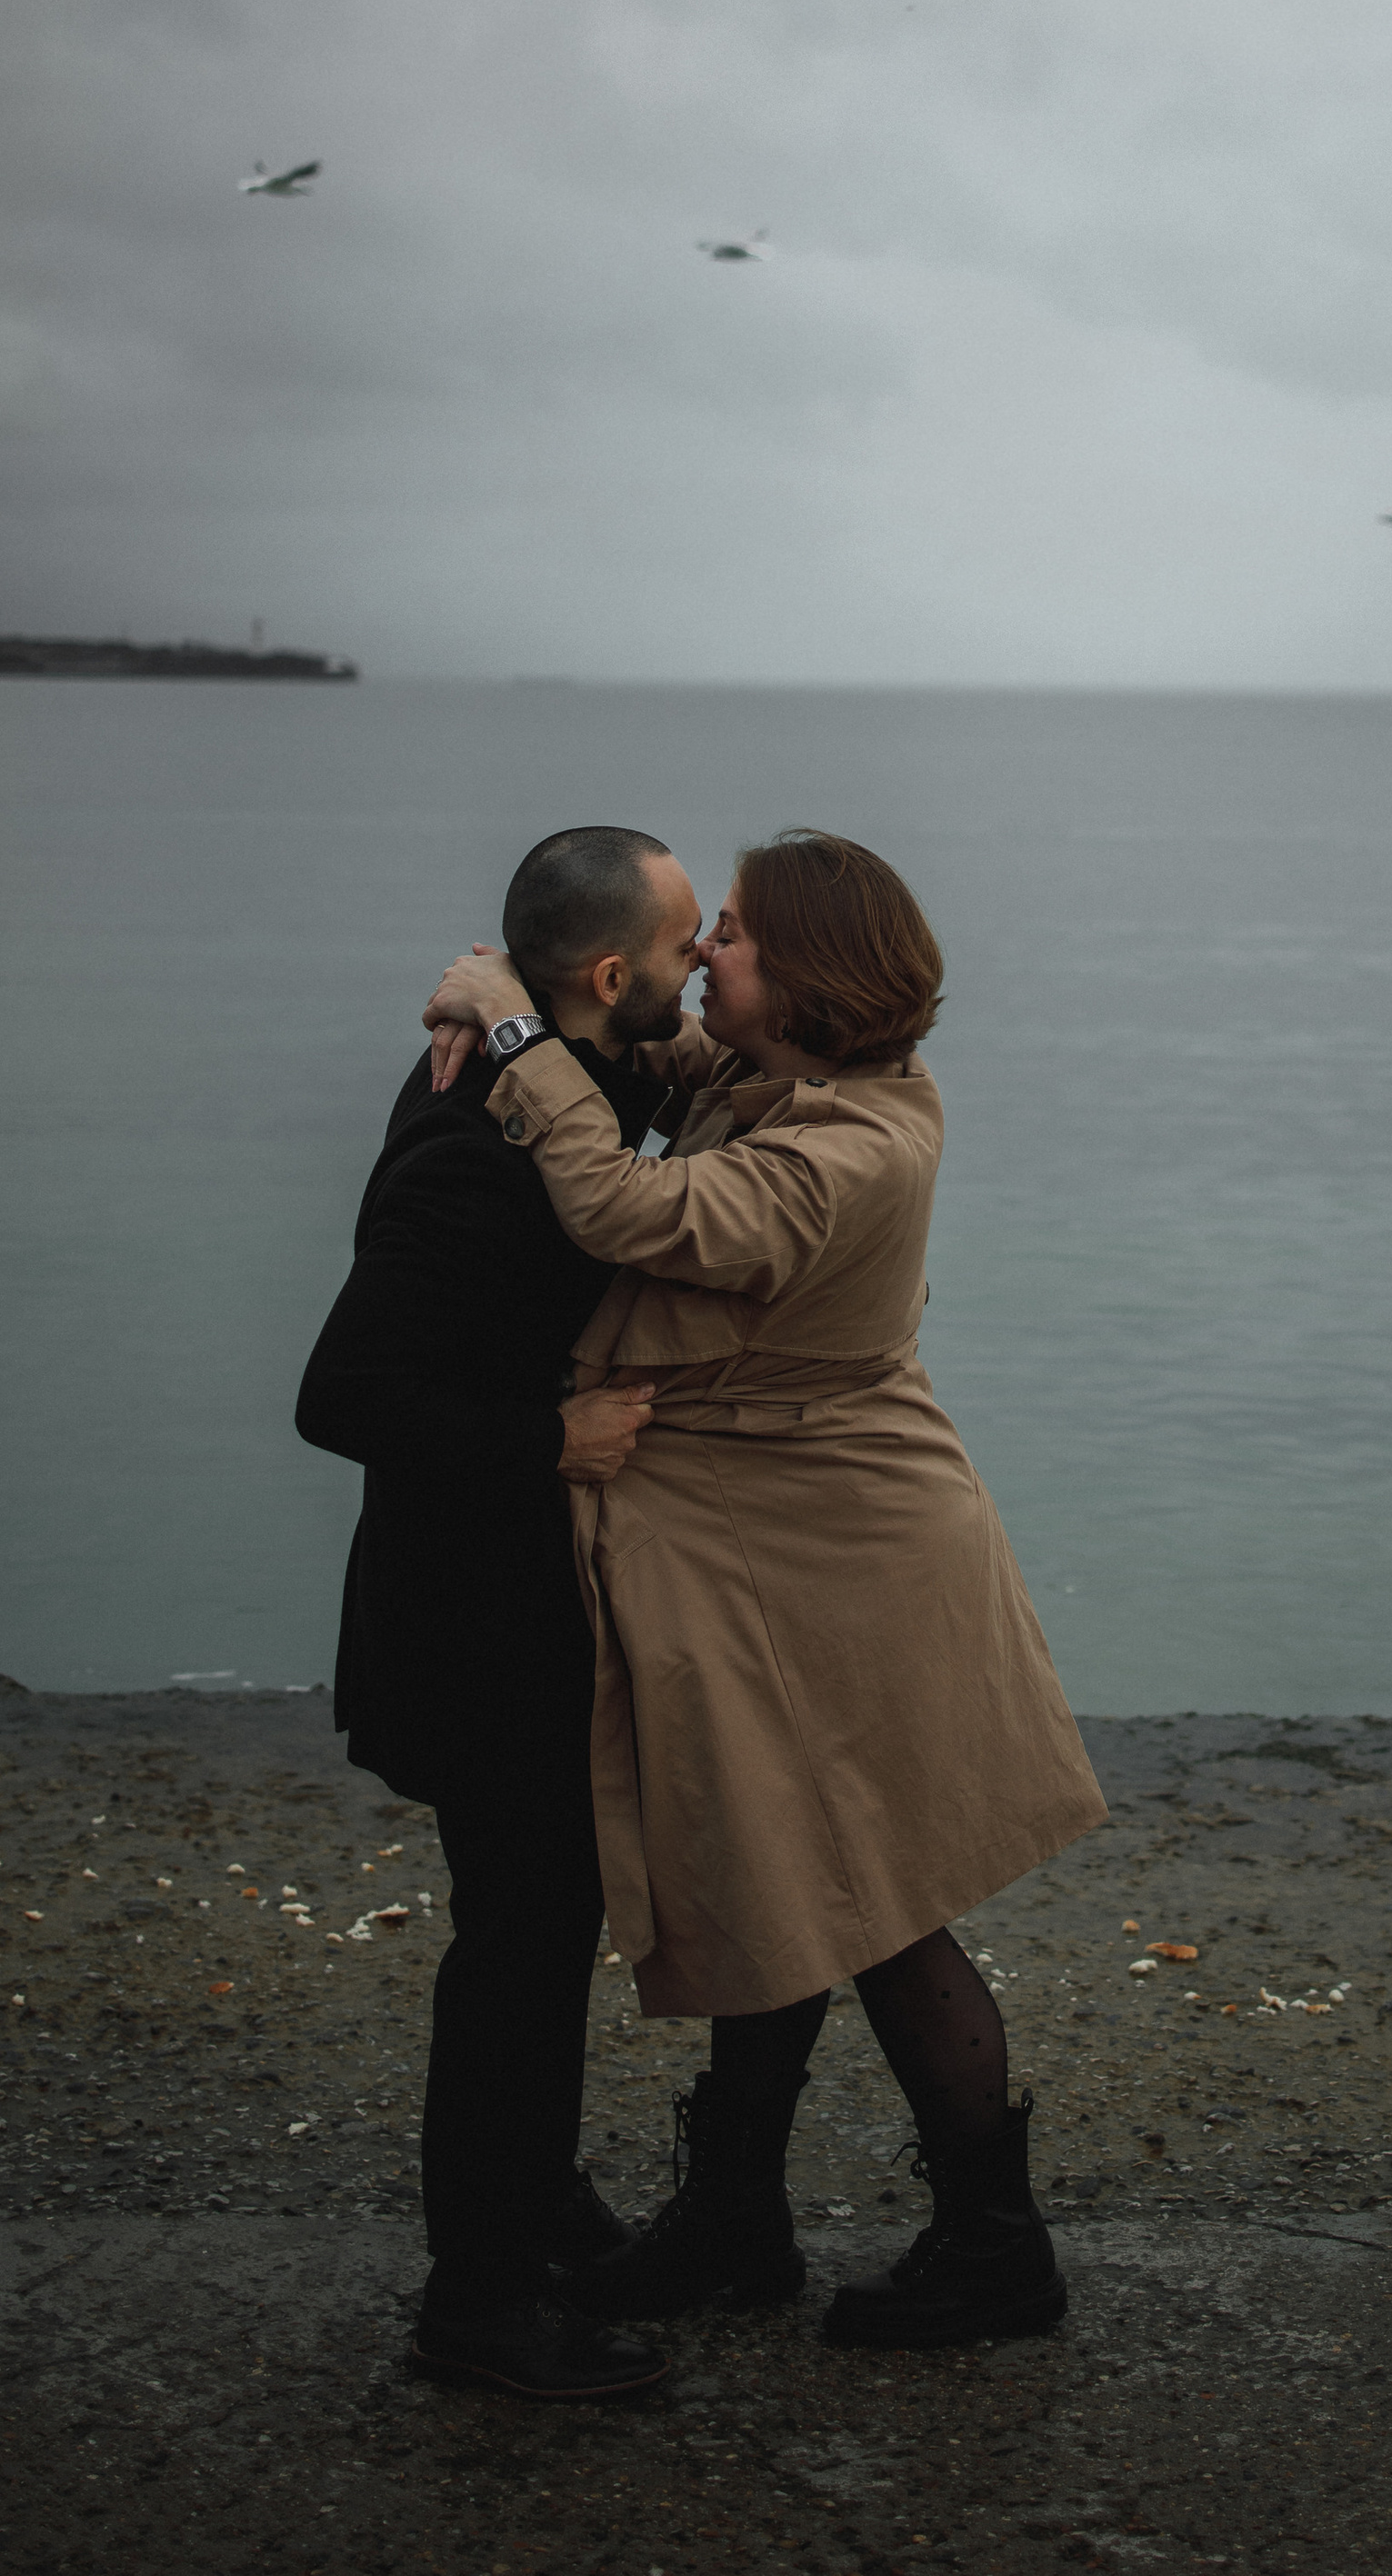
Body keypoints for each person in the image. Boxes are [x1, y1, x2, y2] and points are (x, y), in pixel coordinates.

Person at [423, 825, 1107, 2349]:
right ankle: (738, 2218)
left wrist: (517, 1031)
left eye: (729, 934)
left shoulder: (851, 1150)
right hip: (770, 1526)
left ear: (802, 981)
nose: (705, 951)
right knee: (783, 1873)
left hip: (836, 1546)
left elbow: (624, 1209)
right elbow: (648, 1047)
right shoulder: (778, 1075)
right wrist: (525, 990)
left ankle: (993, 2245)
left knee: (873, 1898)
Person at [296, 823, 706, 2401]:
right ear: (608, 972)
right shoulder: (479, 1142)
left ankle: (534, 2213)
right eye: (679, 946)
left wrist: (496, 992)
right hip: (473, 1624)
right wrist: (552, 1438)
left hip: (512, 1610)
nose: (694, 964)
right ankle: (478, 2305)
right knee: (520, 1953)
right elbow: (344, 1395)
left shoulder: (568, 1078)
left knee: (538, 1932)